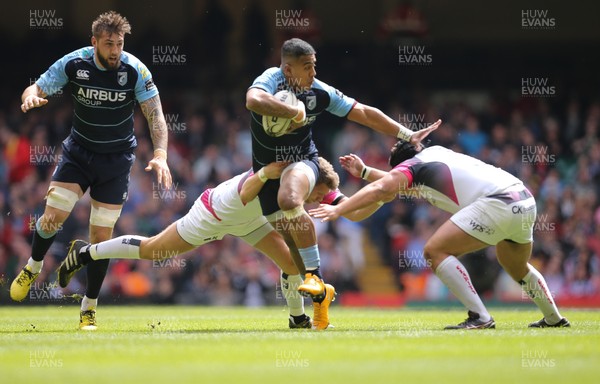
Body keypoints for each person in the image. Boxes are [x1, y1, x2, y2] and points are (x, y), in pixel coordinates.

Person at [58, 158, 379, 330]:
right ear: (313, 182)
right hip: (215, 213)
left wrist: (377, 187)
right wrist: (266, 172)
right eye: (319, 195)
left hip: (252, 221)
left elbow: (353, 208)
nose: (318, 202)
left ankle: (297, 319)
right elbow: (244, 193)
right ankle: (85, 252)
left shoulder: (307, 182)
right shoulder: (282, 179)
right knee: (153, 249)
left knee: (293, 263)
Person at [245, 37, 440, 316]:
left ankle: (314, 280)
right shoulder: (271, 80)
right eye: (307, 67)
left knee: (289, 199)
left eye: (315, 66)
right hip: (266, 172)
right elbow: (253, 100)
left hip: (303, 162)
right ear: (288, 70)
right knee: (293, 247)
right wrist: (293, 112)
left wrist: (406, 134)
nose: (313, 73)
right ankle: (319, 298)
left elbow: (362, 112)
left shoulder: (320, 91)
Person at [10, 11, 172, 330]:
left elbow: (156, 116)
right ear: (94, 42)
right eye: (109, 44)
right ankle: (33, 265)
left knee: (99, 240)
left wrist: (161, 154)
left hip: (116, 160)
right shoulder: (74, 63)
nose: (115, 50)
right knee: (51, 218)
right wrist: (30, 99)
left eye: (120, 44)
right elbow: (36, 88)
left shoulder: (135, 70)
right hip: (79, 154)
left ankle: (89, 308)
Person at [309, 141, 571, 329]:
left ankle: (479, 316)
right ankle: (553, 317)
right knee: (515, 265)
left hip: (497, 202)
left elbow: (383, 187)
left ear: (402, 167)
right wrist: (365, 171)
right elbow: (399, 184)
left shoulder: (414, 168)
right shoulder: (436, 156)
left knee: (434, 251)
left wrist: (340, 207)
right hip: (524, 200)